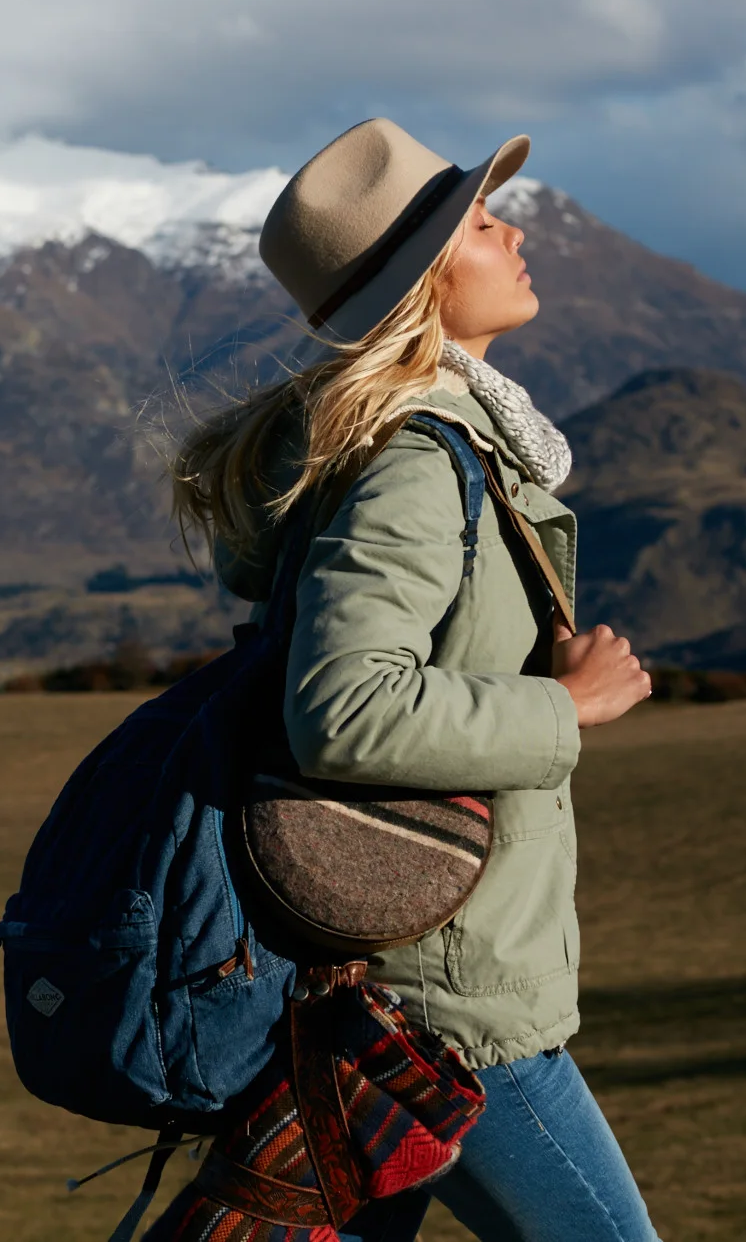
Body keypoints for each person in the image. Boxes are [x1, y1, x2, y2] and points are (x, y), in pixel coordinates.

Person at [169, 119, 658, 1241]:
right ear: (425, 277)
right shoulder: (416, 460)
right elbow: (344, 706)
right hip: (438, 1003)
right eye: (483, 223)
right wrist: (567, 705)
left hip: (380, 975)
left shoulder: (419, 444)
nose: (516, 233)